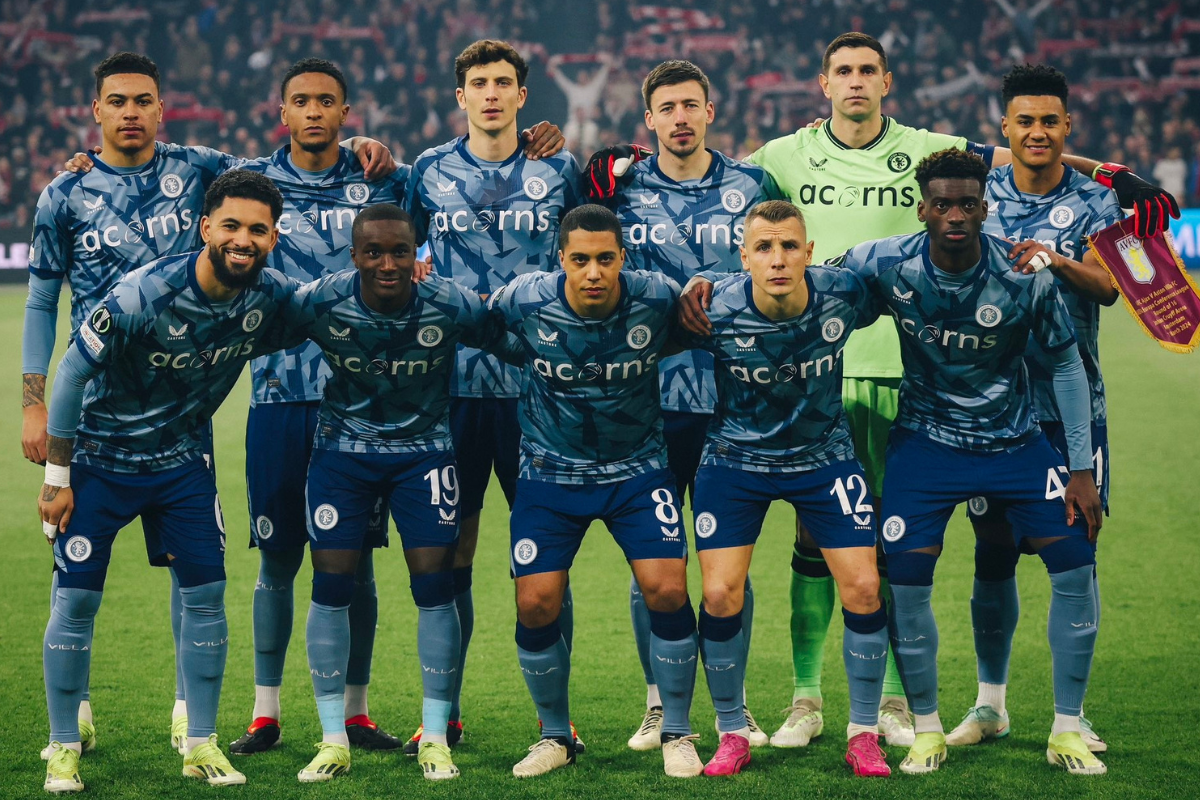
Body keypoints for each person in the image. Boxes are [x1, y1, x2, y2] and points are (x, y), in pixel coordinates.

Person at [48, 53, 400, 755]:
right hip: (274, 398)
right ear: (282, 111)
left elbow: (420, 233)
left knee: (355, 559)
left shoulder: (382, 178)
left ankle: (355, 713)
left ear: (347, 110)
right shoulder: (252, 178)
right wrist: (85, 169)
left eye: (327, 101)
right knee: (274, 558)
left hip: (358, 406)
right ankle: (264, 713)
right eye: (300, 100)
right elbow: (155, 157)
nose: (314, 112)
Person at [848, 149, 1104, 776]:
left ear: (985, 208)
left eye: (968, 204)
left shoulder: (1025, 274)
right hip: (926, 445)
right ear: (923, 209)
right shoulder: (885, 262)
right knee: (905, 581)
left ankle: (1068, 729)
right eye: (943, 204)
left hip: (1015, 444)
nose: (956, 215)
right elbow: (821, 297)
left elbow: (1066, 366)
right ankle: (929, 729)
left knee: (1075, 563)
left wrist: (1079, 468)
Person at [38, 170, 295, 791]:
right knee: (76, 601)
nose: (242, 239)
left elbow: (335, 302)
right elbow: (71, 373)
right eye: (230, 225)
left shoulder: (272, 297)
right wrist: (57, 478)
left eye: (257, 229)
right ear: (205, 227)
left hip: (182, 468)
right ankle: (64, 743)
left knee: (206, 596)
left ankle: (202, 744)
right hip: (101, 463)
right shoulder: (141, 293)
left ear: (273, 237)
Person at [273, 204, 516, 782]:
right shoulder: (319, 301)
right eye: (374, 252)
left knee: (434, 588)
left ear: (417, 256)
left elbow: (512, 339)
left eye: (400, 252)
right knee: (331, 586)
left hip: (424, 455)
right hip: (341, 456)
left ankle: (434, 736)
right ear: (354, 254)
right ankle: (333, 738)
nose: (388, 263)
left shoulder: (448, 302)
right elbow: (252, 328)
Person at [403, 38, 583, 753]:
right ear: (461, 96)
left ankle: (556, 722)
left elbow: (596, 248)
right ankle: (442, 712)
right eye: (478, 83)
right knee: (452, 550)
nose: (490, 94)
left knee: (548, 557)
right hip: (451, 387)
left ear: (520, 95)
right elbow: (395, 251)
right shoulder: (427, 172)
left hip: (541, 388)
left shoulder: (558, 168)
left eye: (503, 83)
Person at [597, 59, 780, 750]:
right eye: (665, 107)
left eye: (689, 105)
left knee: (727, 563)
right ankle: (658, 702)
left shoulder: (751, 185)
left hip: (737, 401)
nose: (679, 117)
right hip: (646, 404)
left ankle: (735, 705)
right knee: (657, 563)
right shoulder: (621, 189)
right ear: (648, 119)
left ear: (711, 110)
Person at [675, 200, 892, 777]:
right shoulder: (712, 307)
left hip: (823, 459)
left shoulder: (844, 294)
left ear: (809, 252)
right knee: (721, 595)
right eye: (764, 248)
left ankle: (864, 732)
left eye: (790, 246)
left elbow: (903, 272)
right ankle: (730, 732)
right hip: (735, 460)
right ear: (742, 257)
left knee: (866, 587)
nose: (778, 259)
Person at [488, 204, 702, 778]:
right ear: (561, 259)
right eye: (580, 260)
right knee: (535, 601)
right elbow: (478, 322)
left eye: (605, 259)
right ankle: (554, 736)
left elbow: (693, 324)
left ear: (622, 259)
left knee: (666, 589)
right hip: (549, 474)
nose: (593, 273)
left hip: (638, 472)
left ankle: (677, 731)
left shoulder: (656, 295)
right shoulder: (527, 296)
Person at [948, 64, 1123, 754]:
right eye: (1025, 121)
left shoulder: (1095, 203)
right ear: (1005, 129)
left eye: (1050, 121)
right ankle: (991, 705)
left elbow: (1109, 289)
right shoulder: (976, 194)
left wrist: (1055, 261)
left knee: (1077, 549)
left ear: (1067, 127)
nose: (1038, 132)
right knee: (992, 552)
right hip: (990, 406)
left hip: (1071, 401)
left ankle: (1071, 716)